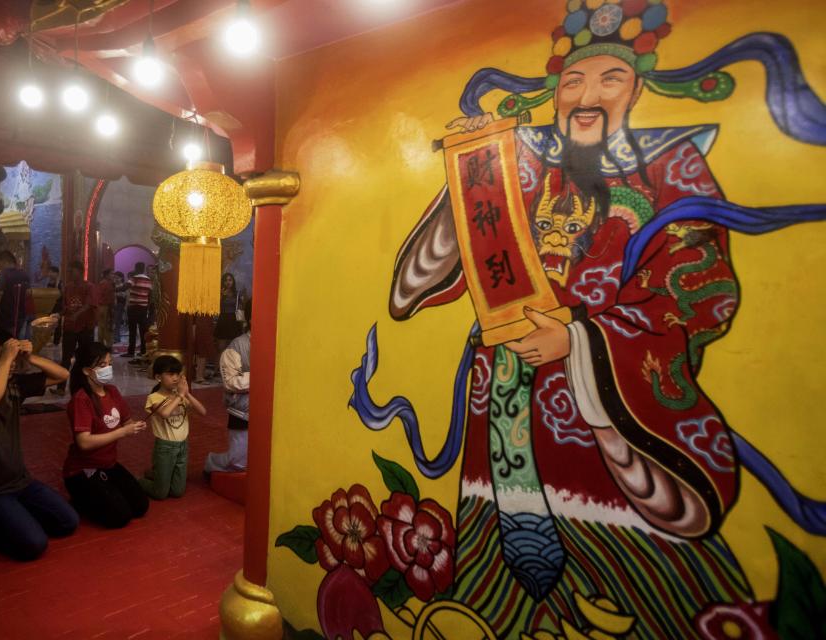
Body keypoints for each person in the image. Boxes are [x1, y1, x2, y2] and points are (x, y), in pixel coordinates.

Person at [347, 2, 826, 636]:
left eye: (609, 80)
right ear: (554, 94)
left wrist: (577, 340)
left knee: (656, 597)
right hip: (503, 419)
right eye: (573, 82)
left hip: (611, 420)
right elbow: (415, 285)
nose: (588, 98)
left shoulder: (672, 168)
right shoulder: (523, 167)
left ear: (636, 88)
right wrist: (472, 169)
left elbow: (697, 295)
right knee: (497, 592)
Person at [0, 329, 77, 561]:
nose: (11, 364)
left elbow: (62, 375)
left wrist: (29, 357)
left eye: (11, 358)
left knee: (68, 522)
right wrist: (9, 358)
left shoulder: (14, 384)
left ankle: (14, 517)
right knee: (34, 544)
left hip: (19, 482)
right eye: (3, 357)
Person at [62, 342, 149, 528]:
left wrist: (135, 426)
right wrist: (122, 432)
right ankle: (80, 499)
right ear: (86, 370)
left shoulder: (112, 392)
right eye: (102, 365)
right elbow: (84, 442)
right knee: (120, 516)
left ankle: (104, 492)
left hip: (108, 464)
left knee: (140, 506)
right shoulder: (81, 399)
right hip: (83, 470)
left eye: (109, 363)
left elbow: (126, 422)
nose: (108, 369)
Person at [139, 356, 206, 500]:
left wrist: (186, 393)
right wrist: (180, 395)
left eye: (177, 374)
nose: (175, 378)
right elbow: (164, 413)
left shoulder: (180, 396)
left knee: (177, 492)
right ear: (158, 377)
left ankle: (156, 473)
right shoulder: (154, 398)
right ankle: (137, 481)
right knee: (160, 493)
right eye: (170, 374)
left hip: (183, 445)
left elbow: (203, 411)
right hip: (165, 447)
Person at [205, 298, 251, 474]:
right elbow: (231, 382)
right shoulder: (237, 346)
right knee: (238, 460)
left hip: (268, 408)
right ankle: (212, 464)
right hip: (242, 410)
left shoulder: (276, 341)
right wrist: (262, 377)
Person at [55, 261, 96, 394]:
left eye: (72, 271)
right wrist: (57, 315)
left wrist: (76, 315)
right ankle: (60, 388)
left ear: (79, 270)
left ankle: (85, 387)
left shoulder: (89, 287)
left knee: (85, 358)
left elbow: (89, 305)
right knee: (66, 358)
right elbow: (65, 306)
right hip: (70, 328)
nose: (70, 274)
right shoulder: (68, 287)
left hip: (85, 327)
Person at [0, 250, 30, 339]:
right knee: (18, 340)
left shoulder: (4, 274)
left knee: (6, 341)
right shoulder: (24, 274)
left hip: (7, 314)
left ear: (4, 261)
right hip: (22, 314)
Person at [123, 262, 152, 358]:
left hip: (133, 307)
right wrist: (147, 306)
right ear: (143, 268)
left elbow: (125, 287)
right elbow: (150, 294)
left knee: (132, 330)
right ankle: (143, 351)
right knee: (143, 330)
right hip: (143, 308)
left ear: (136, 268)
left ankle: (131, 352)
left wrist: (114, 289)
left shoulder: (134, 278)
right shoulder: (148, 280)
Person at [213, 272, 244, 354]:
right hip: (223, 320)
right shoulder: (219, 293)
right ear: (223, 282)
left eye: (230, 280)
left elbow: (240, 310)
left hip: (233, 321)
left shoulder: (237, 294)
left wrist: (243, 324)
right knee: (221, 348)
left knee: (233, 348)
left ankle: (230, 366)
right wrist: (221, 296)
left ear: (233, 282)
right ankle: (220, 366)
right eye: (226, 280)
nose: (228, 282)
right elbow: (214, 307)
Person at [95, 269, 115, 349]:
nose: (113, 275)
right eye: (111, 274)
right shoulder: (106, 284)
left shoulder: (103, 283)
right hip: (105, 307)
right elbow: (107, 297)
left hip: (103, 307)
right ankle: (107, 345)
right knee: (106, 326)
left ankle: (102, 343)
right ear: (106, 275)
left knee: (102, 326)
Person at [112, 271, 127, 343]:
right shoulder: (113, 285)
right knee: (112, 322)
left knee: (117, 322)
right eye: (114, 277)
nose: (115, 279)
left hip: (119, 305)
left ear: (121, 278)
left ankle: (116, 338)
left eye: (117, 278)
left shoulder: (123, 286)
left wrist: (115, 294)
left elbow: (124, 296)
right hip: (112, 305)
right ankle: (114, 337)